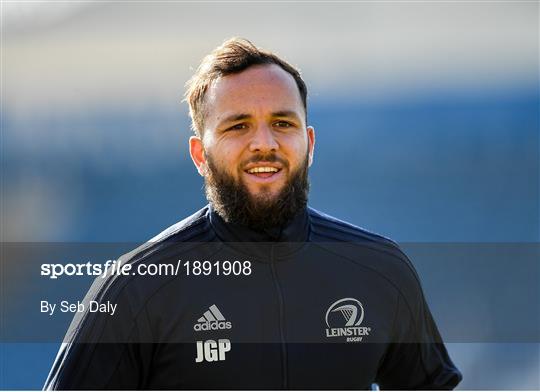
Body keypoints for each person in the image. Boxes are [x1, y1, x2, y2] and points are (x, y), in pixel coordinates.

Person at [44, 38, 462, 390]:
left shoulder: (381, 269)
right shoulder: (135, 289)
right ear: (199, 155)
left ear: (309, 143)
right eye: (237, 126)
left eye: (283, 123)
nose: (264, 142)